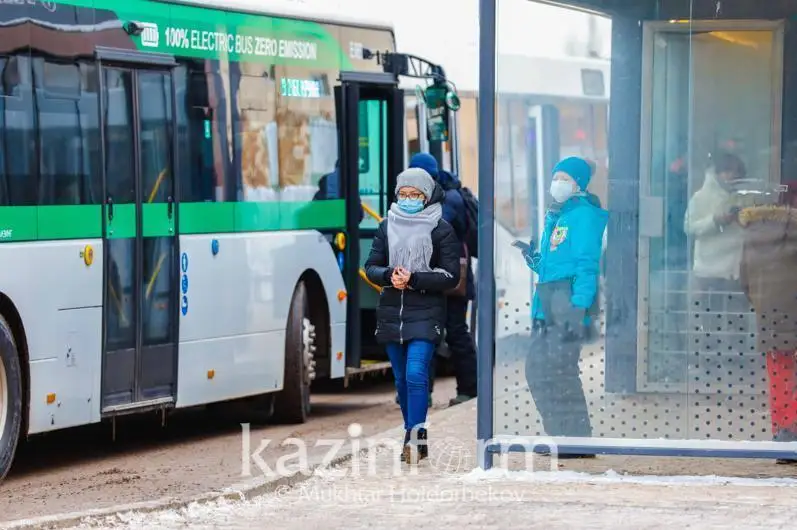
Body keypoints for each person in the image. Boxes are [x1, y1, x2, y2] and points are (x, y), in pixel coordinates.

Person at [364, 167, 461, 464]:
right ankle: (415, 436)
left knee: (416, 373)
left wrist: (415, 279)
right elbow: (371, 266)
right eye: (403, 194)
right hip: (393, 311)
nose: (408, 199)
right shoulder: (386, 226)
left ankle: (413, 436)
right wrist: (389, 275)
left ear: (427, 196)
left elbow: (450, 276)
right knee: (401, 381)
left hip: (426, 312)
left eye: (414, 195)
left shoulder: (441, 229)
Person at [523, 156, 607, 458]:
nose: (557, 182)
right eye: (555, 176)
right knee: (542, 370)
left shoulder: (583, 215)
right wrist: (534, 260)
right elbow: (555, 265)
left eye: (564, 178)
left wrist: (579, 307)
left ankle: (576, 440)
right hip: (548, 304)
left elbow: (587, 266)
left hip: (567, 306)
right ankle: (565, 437)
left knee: (557, 372)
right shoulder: (558, 214)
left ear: (579, 184)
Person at [408, 153, 478, 405]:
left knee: (454, 332)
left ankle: (469, 390)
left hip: (450, 280)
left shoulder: (449, 199)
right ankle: (422, 394)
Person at [739, 201, 797, 464]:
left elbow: (745, 280)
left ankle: (782, 433)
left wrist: (762, 303)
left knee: (778, 375)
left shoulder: (751, 234)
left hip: (770, 314)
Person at [683, 152, 747, 294]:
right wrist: (715, 221)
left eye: (738, 172)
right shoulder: (700, 197)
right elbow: (689, 227)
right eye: (728, 170)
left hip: (735, 272)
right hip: (709, 272)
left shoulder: (742, 197)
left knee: (735, 313)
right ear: (717, 173)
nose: (733, 175)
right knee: (709, 313)